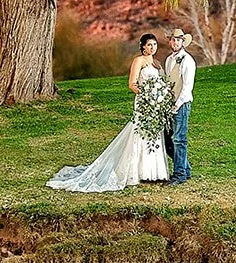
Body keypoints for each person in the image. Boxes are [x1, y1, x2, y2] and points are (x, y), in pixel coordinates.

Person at [48, 33, 172, 192]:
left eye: (154, 44)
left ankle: (152, 172)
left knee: (153, 134)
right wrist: (146, 94)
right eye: (149, 45)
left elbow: (160, 83)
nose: (152, 47)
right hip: (143, 102)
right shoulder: (138, 61)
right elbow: (132, 84)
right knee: (140, 133)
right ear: (142, 47)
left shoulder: (156, 63)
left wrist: (160, 95)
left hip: (155, 105)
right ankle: (135, 173)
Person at [163, 28, 196, 184]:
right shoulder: (169, 60)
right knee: (168, 140)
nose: (175, 42)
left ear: (183, 42)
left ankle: (179, 175)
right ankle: (186, 169)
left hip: (182, 104)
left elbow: (187, 87)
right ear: (170, 41)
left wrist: (176, 105)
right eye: (173, 40)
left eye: (178, 40)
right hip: (169, 105)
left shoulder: (188, 60)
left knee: (179, 139)